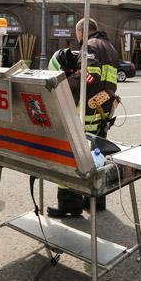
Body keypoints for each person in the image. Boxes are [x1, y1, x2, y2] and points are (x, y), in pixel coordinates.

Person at [46, 17, 120, 218]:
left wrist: (65, 86)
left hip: (85, 112)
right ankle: (95, 199)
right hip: (104, 110)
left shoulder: (90, 46)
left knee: (73, 156)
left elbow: (88, 78)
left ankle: (70, 204)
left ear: (81, 32)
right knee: (97, 157)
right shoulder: (111, 48)